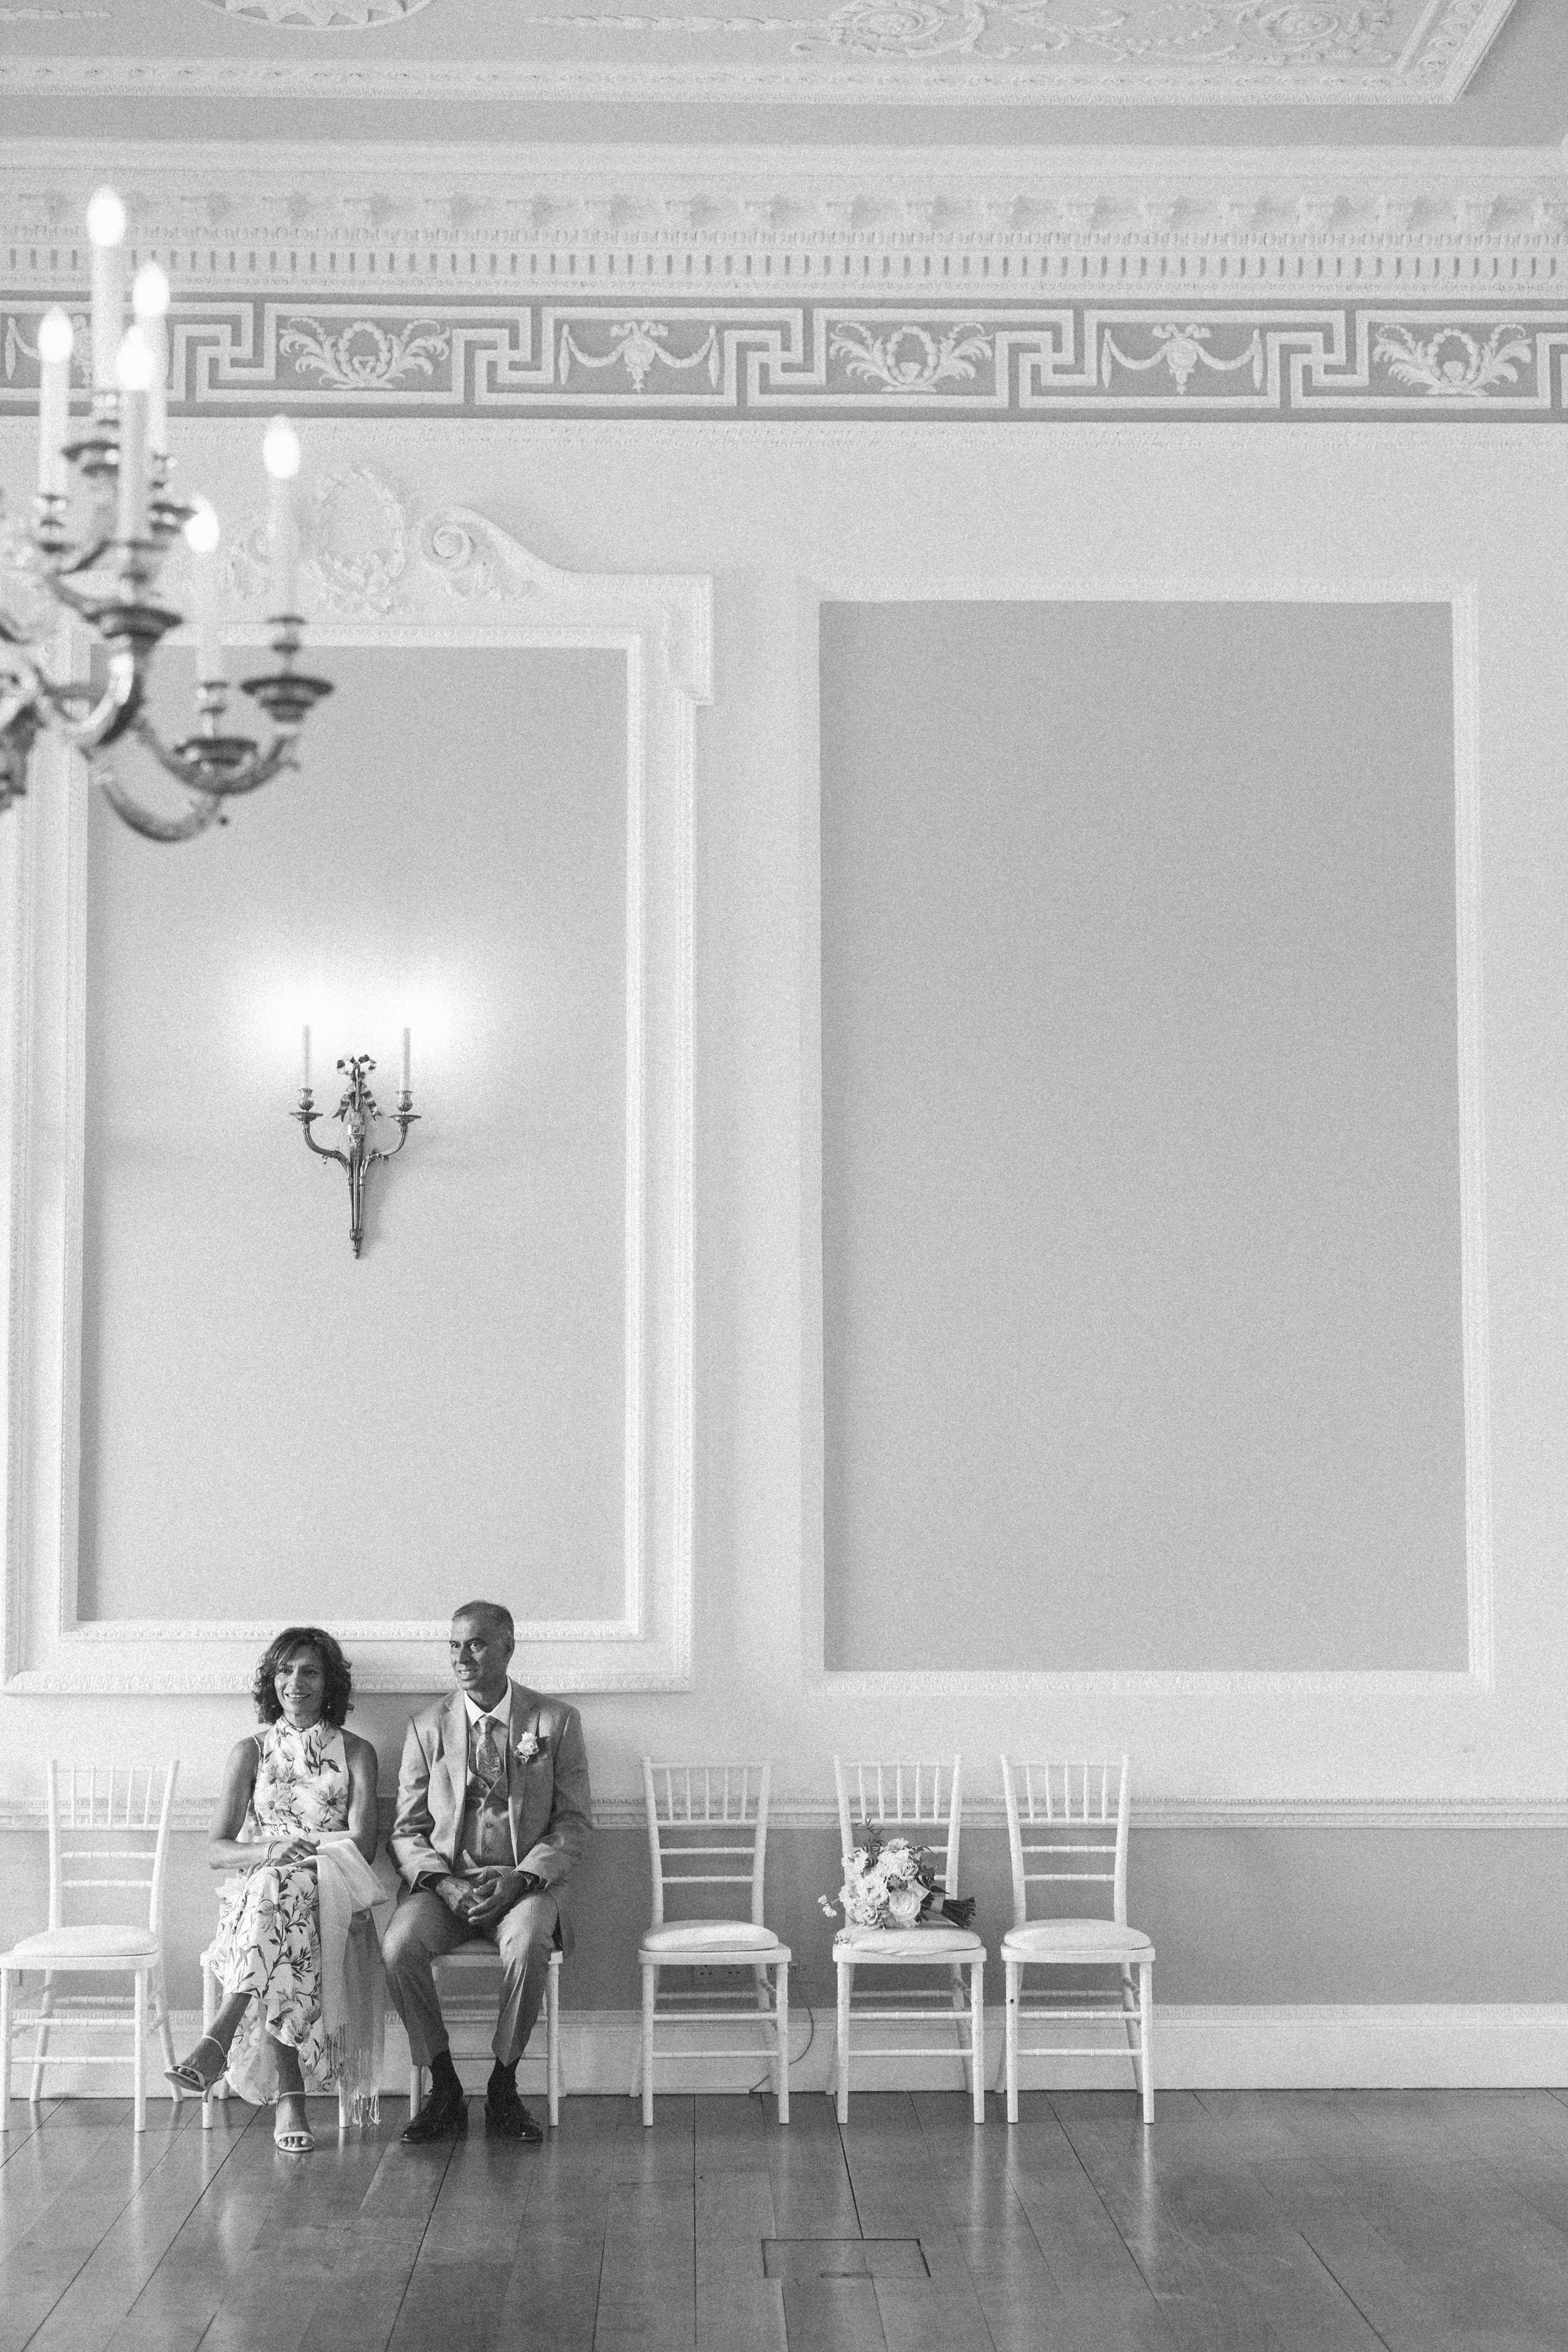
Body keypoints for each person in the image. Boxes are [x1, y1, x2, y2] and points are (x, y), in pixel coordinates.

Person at [165, 1626, 384, 2156]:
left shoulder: (357, 1751)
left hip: (333, 1881)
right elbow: (217, 1848)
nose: (295, 1682)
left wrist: (302, 1851)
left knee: (280, 1889)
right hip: (261, 1893)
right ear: (272, 1680)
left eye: (309, 1671)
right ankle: (291, 2098)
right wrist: (269, 1854)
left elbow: (366, 1844)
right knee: (274, 1893)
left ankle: (222, 2033)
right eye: (285, 1671)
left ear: (329, 1682)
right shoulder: (250, 1751)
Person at [384, 1599, 593, 2144]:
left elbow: (572, 1824)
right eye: (454, 1645)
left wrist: (522, 1879)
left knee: (528, 1945)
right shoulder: (426, 1726)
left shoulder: (555, 1722)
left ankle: (504, 2083)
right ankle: (445, 2084)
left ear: (508, 1646)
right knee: (399, 1944)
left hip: (523, 1887)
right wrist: (444, 1883)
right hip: (447, 1888)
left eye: (475, 1644)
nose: (461, 1656)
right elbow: (405, 1831)